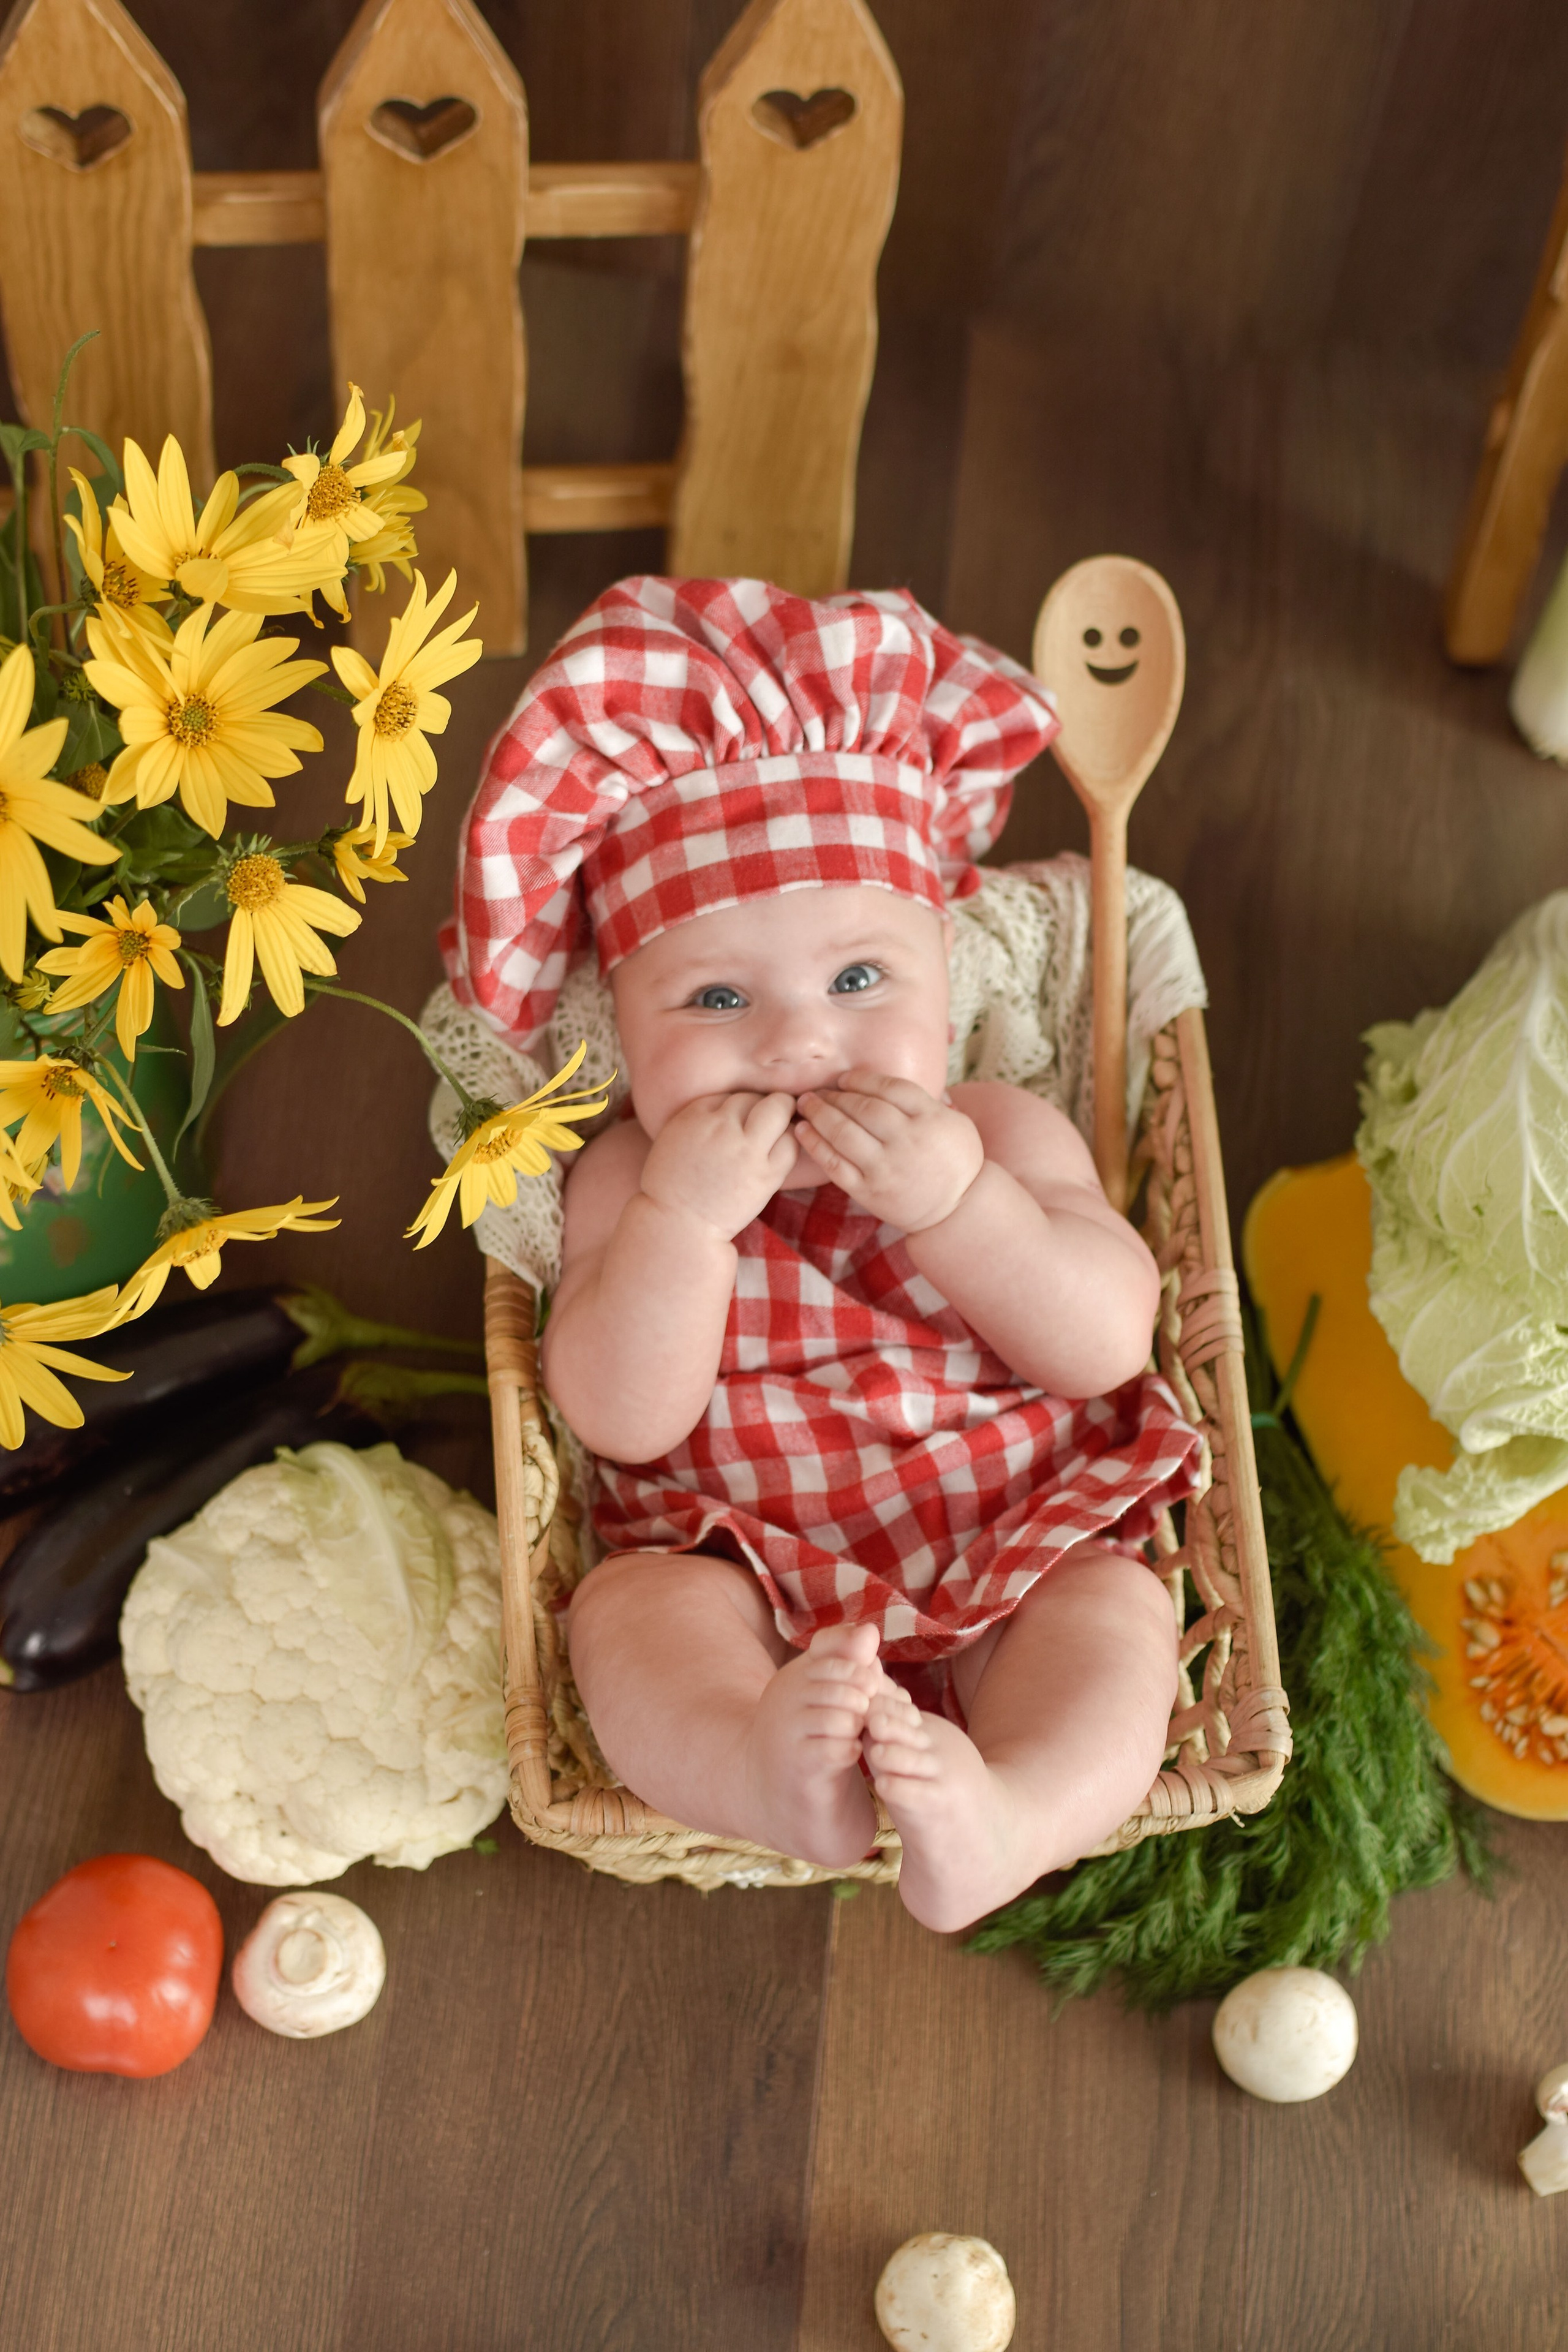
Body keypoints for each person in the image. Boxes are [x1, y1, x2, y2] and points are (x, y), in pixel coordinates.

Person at [445, 576, 1205, 1931]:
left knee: (1117, 1615)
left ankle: (1009, 1814)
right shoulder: (631, 1168)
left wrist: (960, 1205)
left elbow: (1103, 1341)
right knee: (624, 1620)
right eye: (718, 1000)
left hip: (1010, 1530)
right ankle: (756, 1768)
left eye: (860, 982)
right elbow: (617, 1420)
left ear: (945, 972)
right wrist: (683, 1224)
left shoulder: (995, 1125)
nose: (799, 1042)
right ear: (621, 1021)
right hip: (737, 1564)